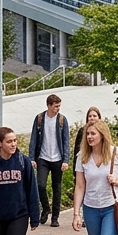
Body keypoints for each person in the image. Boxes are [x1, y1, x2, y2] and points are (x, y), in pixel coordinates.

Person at [28, 94, 70, 228]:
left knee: (56, 188)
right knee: (40, 185)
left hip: (58, 159)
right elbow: (33, 138)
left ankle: (55, 217)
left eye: (59, 106)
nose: (58, 109)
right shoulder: (40, 119)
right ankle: (46, 208)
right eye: (55, 106)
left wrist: (66, 160)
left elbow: (66, 141)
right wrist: (32, 158)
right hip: (43, 158)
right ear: (49, 105)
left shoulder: (62, 120)